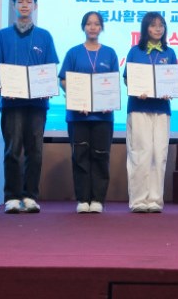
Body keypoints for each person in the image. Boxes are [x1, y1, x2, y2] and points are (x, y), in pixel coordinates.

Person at [0, 0, 59, 214]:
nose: (24, 5)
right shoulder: (2, 36)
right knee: (12, 150)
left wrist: (46, 87)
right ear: (13, 5)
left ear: (35, 6)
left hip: (37, 104)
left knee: (35, 150)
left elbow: (50, 68)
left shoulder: (44, 36)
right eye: (20, 1)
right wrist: (5, 85)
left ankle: (30, 196)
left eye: (29, 1)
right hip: (12, 102)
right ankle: (11, 196)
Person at [59, 11, 119, 214]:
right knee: (80, 155)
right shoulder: (73, 53)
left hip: (103, 116)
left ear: (101, 28)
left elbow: (113, 83)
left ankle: (98, 199)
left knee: (101, 156)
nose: (93, 27)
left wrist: (109, 101)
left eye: (96, 24)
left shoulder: (110, 53)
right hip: (78, 115)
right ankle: (83, 198)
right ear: (83, 27)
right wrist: (77, 99)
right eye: (89, 24)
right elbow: (64, 80)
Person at [123, 11, 178, 213]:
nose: (158, 29)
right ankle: (138, 200)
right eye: (153, 25)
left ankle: (155, 200)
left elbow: (174, 81)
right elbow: (127, 78)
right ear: (146, 28)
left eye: (161, 25)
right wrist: (137, 89)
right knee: (140, 152)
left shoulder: (169, 53)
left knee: (159, 153)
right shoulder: (135, 51)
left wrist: (169, 91)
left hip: (161, 109)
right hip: (139, 108)